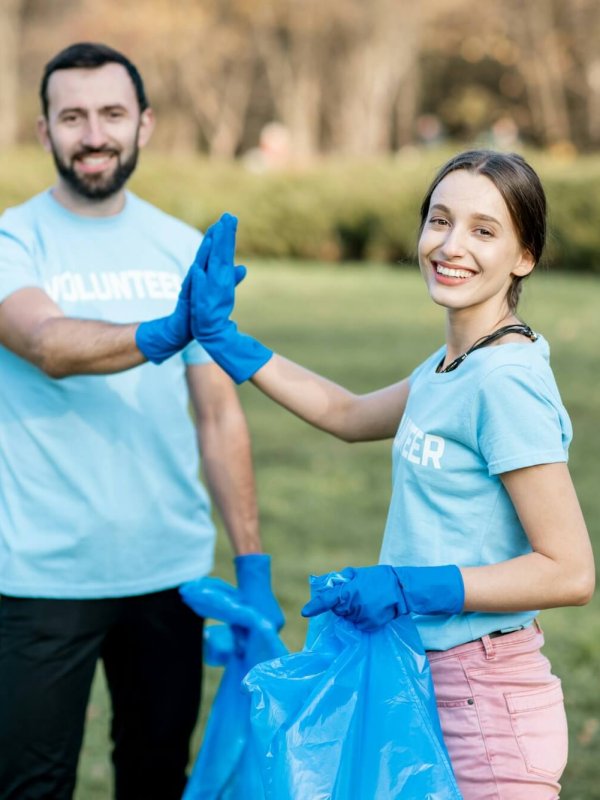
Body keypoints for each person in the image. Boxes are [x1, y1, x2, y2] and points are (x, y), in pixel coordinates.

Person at [187, 151, 595, 799]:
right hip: (421, 682)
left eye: (484, 230)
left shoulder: (505, 381)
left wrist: (409, 585)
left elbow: (569, 570)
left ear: (525, 256)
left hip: (485, 708)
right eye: (439, 221)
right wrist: (227, 340)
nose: (451, 245)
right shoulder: (453, 365)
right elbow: (348, 414)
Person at [0, 43, 282, 800]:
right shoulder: (12, 241)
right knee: (30, 787)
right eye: (73, 116)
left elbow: (218, 415)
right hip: (39, 576)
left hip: (170, 575)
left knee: (158, 780)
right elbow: (44, 344)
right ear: (44, 130)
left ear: (145, 125)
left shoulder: (180, 247)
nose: (94, 134)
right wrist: (164, 330)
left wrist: (251, 568)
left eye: (112, 114)